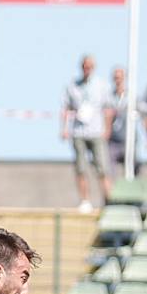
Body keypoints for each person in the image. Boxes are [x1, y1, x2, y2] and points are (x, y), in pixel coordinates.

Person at [62, 55, 111, 210]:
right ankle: (85, 201)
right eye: (85, 66)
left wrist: (107, 129)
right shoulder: (72, 86)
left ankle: (109, 201)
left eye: (90, 66)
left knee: (102, 168)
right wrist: (64, 128)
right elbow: (65, 108)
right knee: (81, 168)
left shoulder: (102, 85)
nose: (87, 69)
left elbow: (108, 109)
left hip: (96, 132)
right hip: (79, 132)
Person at [107, 65, 131, 178]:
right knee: (109, 169)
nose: (118, 80)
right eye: (116, 77)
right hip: (113, 140)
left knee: (133, 168)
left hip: (129, 140)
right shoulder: (108, 97)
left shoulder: (131, 96)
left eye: (120, 77)